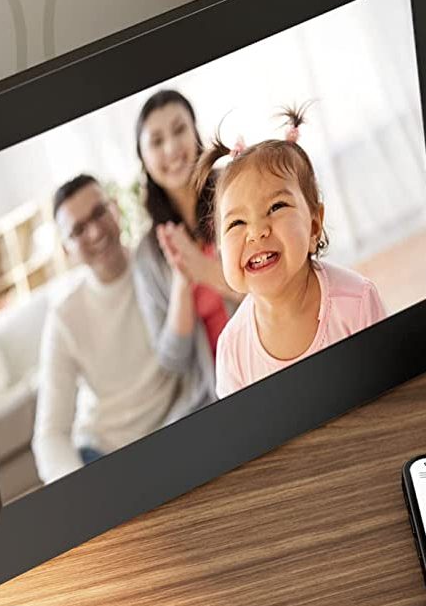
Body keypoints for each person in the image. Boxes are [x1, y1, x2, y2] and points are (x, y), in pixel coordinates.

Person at [200, 105, 387, 397]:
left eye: (276, 207)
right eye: (237, 222)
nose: (257, 231)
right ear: (221, 249)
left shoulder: (356, 302)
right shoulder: (232, 349)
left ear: (314, 226)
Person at [31, 175, 192, 482]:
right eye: (78, 230)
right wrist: (80, 490)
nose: (94, 231)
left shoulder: (160, 262)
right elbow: (50, 434)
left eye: (98, 213)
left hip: (174, 430)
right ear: (67, 249)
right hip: (104, 456)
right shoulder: (65, 317)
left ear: (116, 208)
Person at [132, 90, 240, 415]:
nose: (171, 148)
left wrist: (204, 271)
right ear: (144, 159)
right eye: (156, 141)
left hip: (265, 360)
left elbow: (278, 289)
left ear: (195, 132)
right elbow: (172, 359)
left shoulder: (235, 191)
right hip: (213, 398)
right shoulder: (148, 254)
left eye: (180, 130)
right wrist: (182, 278)